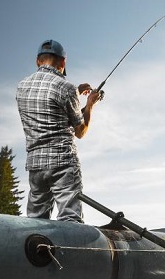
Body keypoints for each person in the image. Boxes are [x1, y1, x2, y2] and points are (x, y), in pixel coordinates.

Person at [16, 39, 101, 223]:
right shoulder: (66, 87)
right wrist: (90, 105)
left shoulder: (21, 87)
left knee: (36, 221)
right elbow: (80, 131)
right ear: (63, 63)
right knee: (70, 219)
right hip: (62, 162)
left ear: (38, 61)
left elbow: (48, 104)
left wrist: (76, 94)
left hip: (35, 165)